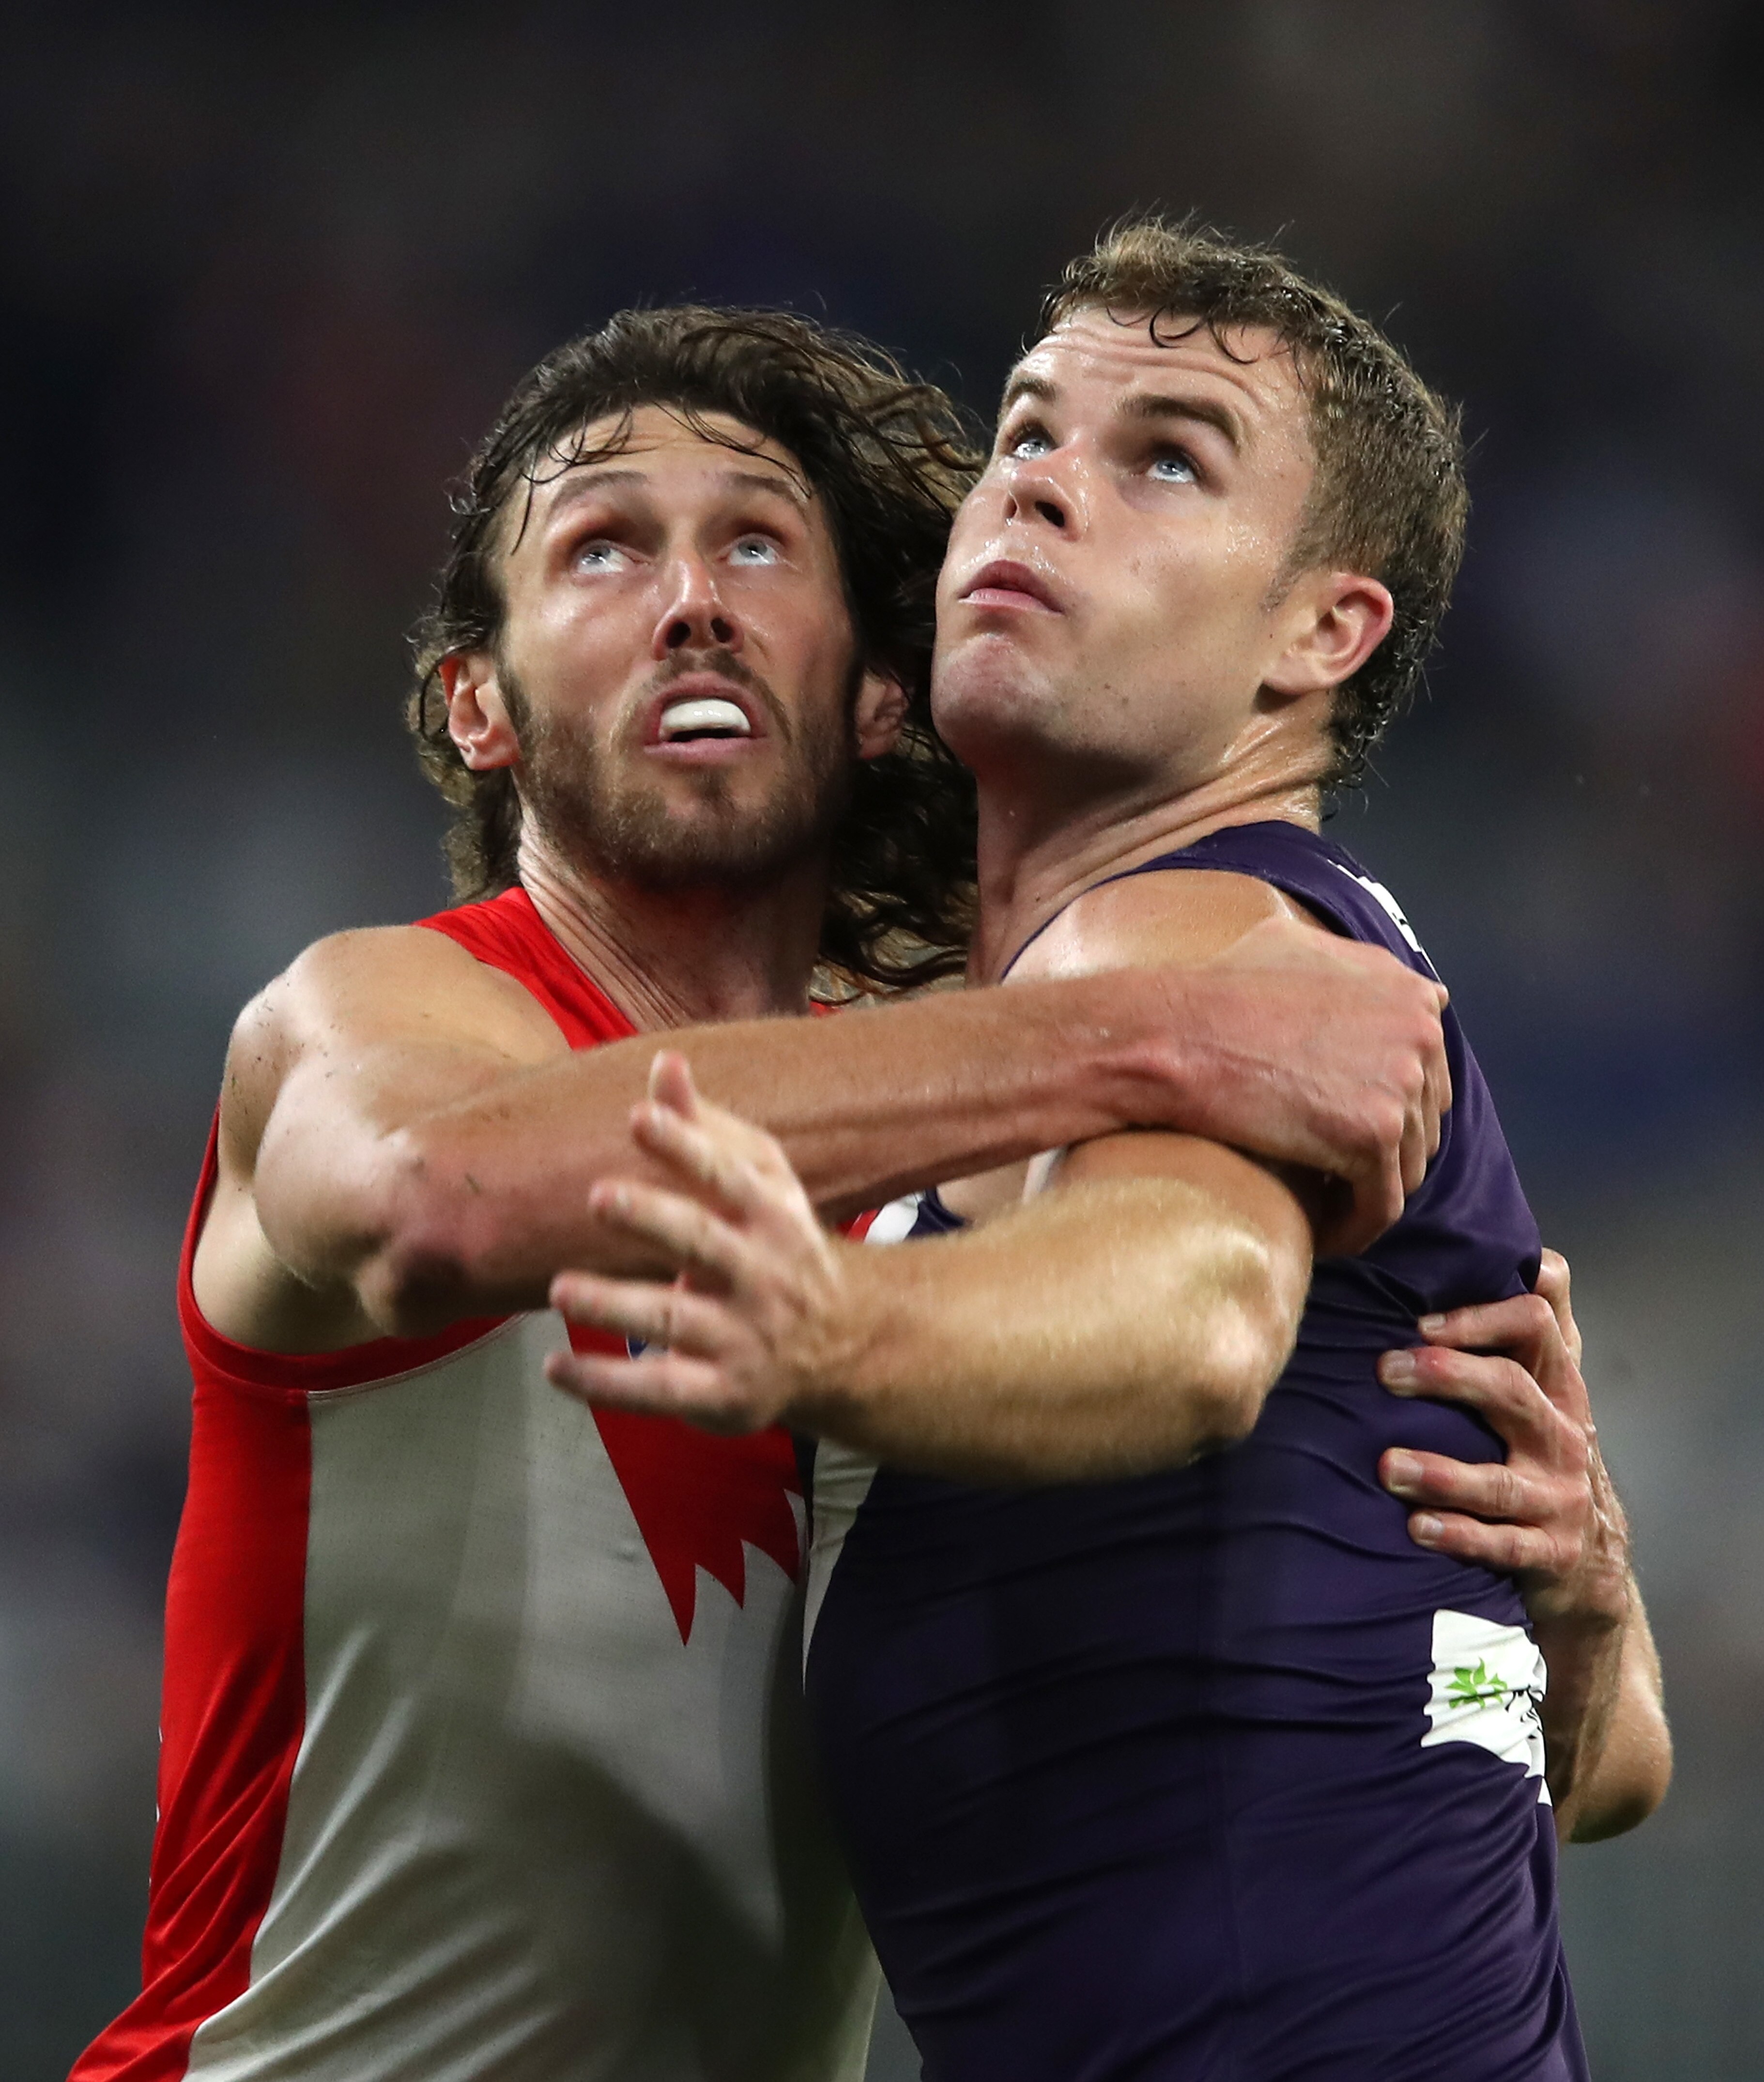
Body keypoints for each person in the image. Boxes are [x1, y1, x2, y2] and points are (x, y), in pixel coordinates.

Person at [69, 308, 1457, 2082]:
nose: (689, 599)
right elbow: (439, 1198)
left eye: (753, 541)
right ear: (478, 706)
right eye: (600, 547)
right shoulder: (367, 1015)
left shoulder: (967, 1154)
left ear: (877, 694)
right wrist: (1165, 1031)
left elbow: (1385, 1618)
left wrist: (1576, 1610)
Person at [545, 225, 1671, 2080]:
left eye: (1167, 456)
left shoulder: (1219, 949)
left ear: (1323, 630)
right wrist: (1586, 1608)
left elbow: (1196, 1325)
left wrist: (818, 1332)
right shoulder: (1130, 1015)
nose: (1045, 483)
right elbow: (1604, 1767)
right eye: (1026, 432)